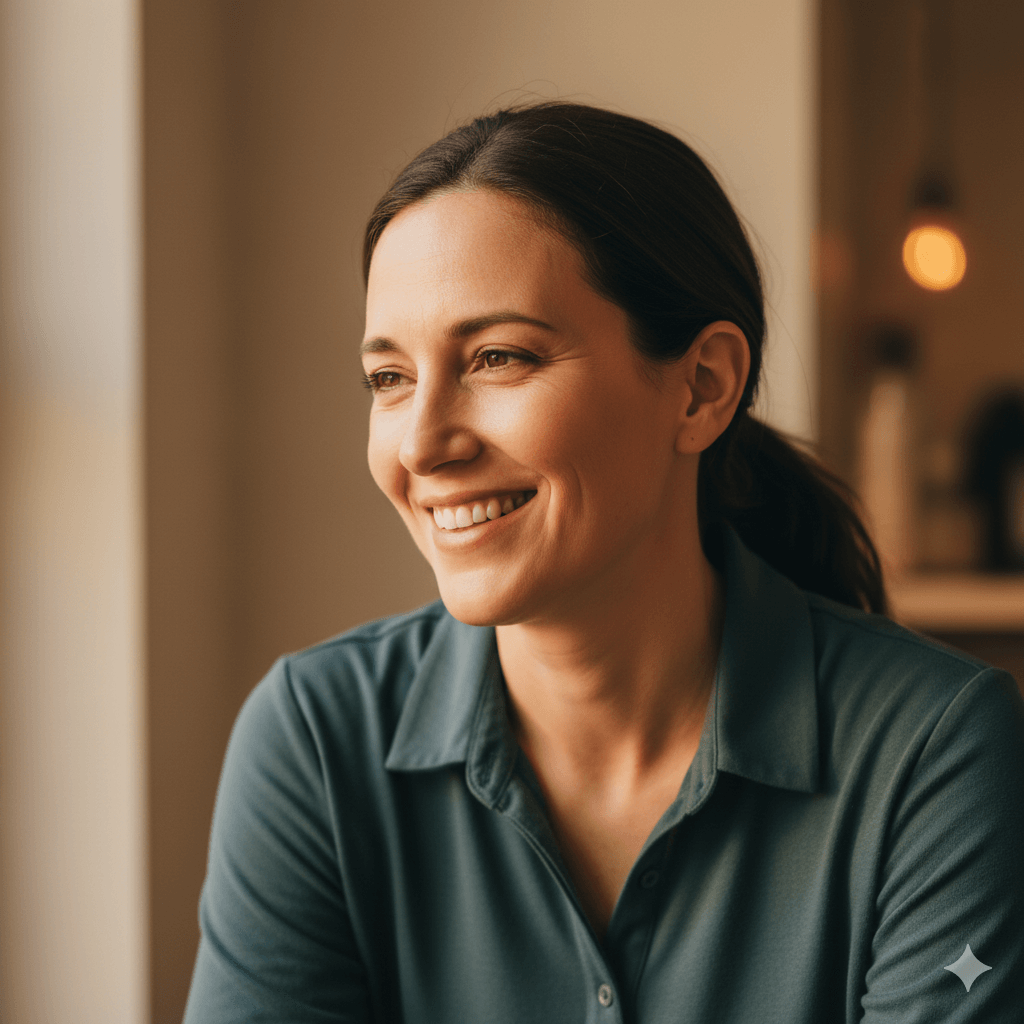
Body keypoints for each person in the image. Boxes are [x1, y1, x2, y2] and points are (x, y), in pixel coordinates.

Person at [183, 103, 1024, 1022]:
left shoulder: (937, 753)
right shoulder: (314, 738)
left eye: (498, 357)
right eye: (389, 379)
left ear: (702, 388)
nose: (421, 444)